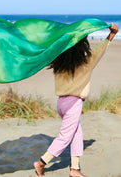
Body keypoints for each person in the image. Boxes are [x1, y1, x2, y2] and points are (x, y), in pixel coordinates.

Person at [33, 23, 119, 177]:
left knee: (76, 133)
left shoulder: (59, 63)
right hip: (73, 103)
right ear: (83, 47)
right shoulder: (86, 62)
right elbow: (100, 50)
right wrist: (111, 35)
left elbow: (49, 52)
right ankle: (41, 162)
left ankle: (75, 169)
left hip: (61, 103)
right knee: (65, 137)